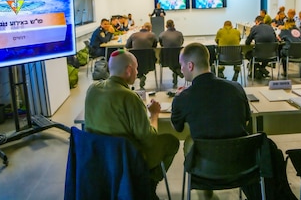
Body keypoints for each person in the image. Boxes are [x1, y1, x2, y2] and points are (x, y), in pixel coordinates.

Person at [85, 50, 179, 200]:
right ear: (128, 70)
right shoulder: (130, 97)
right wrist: (154, 114)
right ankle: (147, 184)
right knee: (171, 142)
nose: (137, 72)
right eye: (136, 68)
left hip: (99, 156)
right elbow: (148, 138)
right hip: (127, 159)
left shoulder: (92, 90)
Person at [171, 43, 251, 199]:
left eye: (181, 65)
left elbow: (177, 128)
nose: (181, 69)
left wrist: (177, 100)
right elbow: (247, 120)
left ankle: (206, 194)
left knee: (190, 141)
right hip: (241, 164)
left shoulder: (184, 98)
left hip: (208, 167)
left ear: (190, 65)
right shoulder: (236, 87)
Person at [126, 22, 158, 88]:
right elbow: (155, 45)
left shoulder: (134, 35)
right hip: (148, 61)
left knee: (137, 62)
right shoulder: (152, 35)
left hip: (135, 60)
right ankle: (141, 75)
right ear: (150, 29)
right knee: (144, 62)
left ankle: (140, 75)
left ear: (142, 27)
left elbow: (127, 46)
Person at [158, 19, 184, 87]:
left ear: (166, 26)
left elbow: (161, 45)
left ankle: (176, 71)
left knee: (170, 59)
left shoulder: (162, 34)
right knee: (175, 61)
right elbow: (181, 43)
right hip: (178, 57)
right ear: (174, 25)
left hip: (166, 59)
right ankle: (177, 71)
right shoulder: (179, 34)